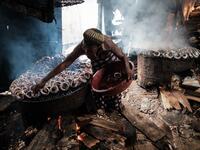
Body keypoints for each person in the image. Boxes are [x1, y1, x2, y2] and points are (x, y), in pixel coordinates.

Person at [33, 28, 132, 111]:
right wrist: (44, 80)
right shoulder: (81, 47)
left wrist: (127, 69)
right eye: (86, 50)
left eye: (91, 50)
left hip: (111, 62)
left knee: (113, 86)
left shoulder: (107, 43)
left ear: (98, 46)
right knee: (100, 88)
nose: (88, 53)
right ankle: (103, 110)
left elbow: (123, 56)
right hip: (97, 65)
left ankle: (116, 108)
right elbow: (65, 64)